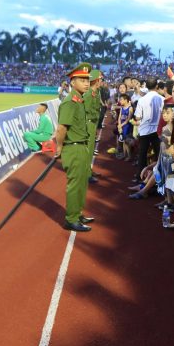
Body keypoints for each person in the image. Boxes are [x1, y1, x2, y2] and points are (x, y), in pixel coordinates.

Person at [54, 62, 95, 232]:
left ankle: (77, 213)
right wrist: (59, 148)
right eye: (82, 80)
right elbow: (62, 128)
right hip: (74, 147)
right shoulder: (70, 102)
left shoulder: (78, 99)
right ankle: (71, 219)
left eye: (87, 79)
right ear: (72, 82)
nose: (86, 83)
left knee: (82, 184)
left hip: (82, 146)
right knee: (75, 184)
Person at [134, 77, 164, 170]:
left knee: (142, 155)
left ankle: (140, 176)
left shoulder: (142, 99)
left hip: (144, 130)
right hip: (158, 131)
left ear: (146, 86)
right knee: (159, 155)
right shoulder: (162, 99)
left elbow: (137, 117)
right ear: (157, 86)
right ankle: (158, 178)